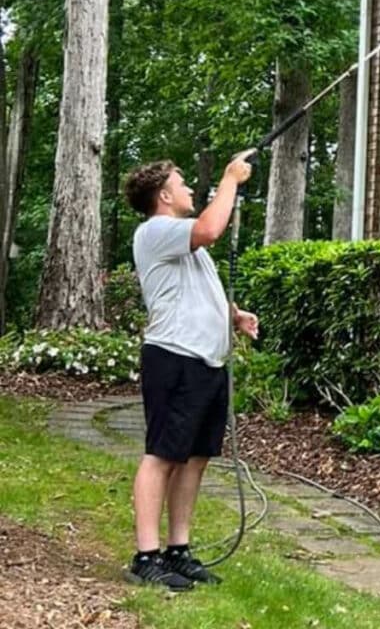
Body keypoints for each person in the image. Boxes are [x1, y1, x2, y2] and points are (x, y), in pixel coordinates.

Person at [121, 151, 259, 591]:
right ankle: (146, 556)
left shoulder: (182, 240)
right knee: (162, 455)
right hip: (174, 358)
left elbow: (197, 287)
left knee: (195, 458)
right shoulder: (156, 230)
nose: (189, 190)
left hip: (206, 363)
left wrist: (233, 315)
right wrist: (230, 180)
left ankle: (177, 550)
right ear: (164, 195)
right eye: (182, 184)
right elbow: (211, 228)